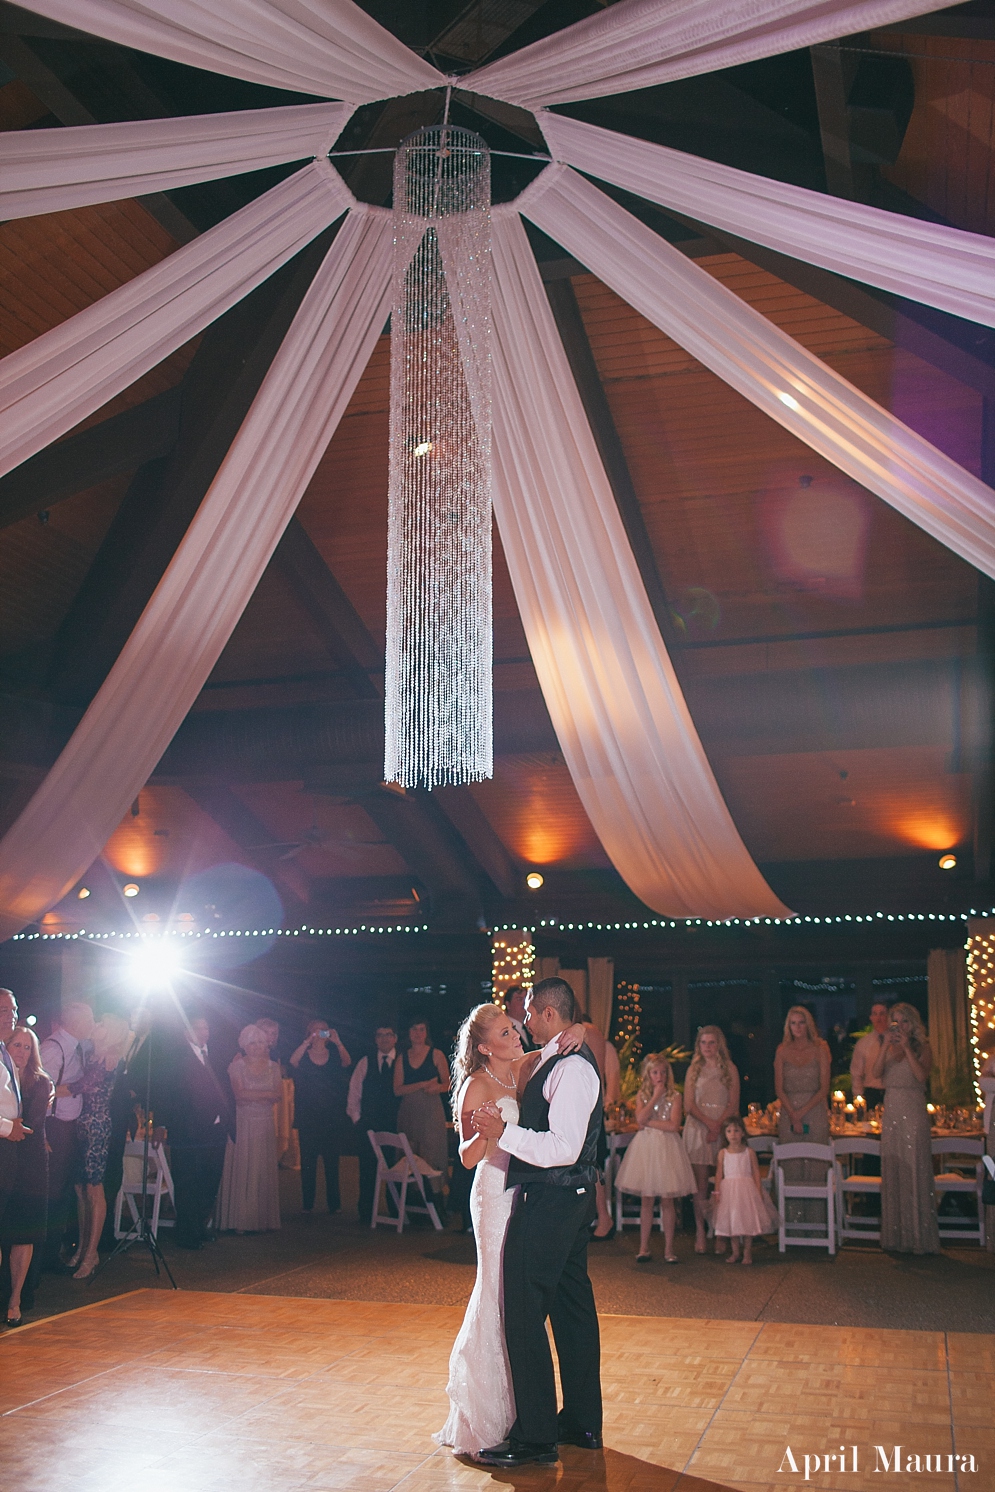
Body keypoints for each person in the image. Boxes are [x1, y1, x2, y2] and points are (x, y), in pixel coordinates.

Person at [435, 1003, 586, 1454]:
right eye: (505, 1031)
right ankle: (490, 1413)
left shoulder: (518, 1069)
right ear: (484, 1046)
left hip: (525, 1192)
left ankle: (522, 1412)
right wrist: (488, 1133)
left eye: (515, 1027)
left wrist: (577, 1026)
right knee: (498, 1293)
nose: (517, 1035)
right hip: (493, 1194)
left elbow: (556, 1042)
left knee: (517, 1300)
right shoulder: (476, 1084)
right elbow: (464, 1156)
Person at [471, 977, 604, 1469]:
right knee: (572, 1310)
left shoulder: (572, 1068)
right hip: (568, 1199)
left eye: (527, 1013)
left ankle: (535, 1436)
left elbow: (563, 1148)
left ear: (548, 1014)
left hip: (553, 1199)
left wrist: (505, 1134)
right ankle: (582, 1421)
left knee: (523, 1310)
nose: (523, 1021)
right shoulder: (556, 1055)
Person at [152, 1014, 230, 1250]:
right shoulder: (176, 1058)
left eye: (206, 1028)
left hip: (216, 1129)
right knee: (188, 1181)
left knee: (210, 1179)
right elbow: (165, 1093)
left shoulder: (215, 1055)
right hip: (188, 1130)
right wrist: (161, 1124)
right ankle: (187, 1231)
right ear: (187, 1033)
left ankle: (201, 1225)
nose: (203, 1033)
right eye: (198, 1029)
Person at [870, 1002, 941, 1255]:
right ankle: (896, 1235)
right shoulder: (887, 1048)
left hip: (913, 1109)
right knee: (895, 1168)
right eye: (895, 1022)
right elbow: (876, 1074)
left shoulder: (924, 1047)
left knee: (915, 1167)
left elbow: (921, 1076)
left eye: (904, 1022)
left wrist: (907, 1047)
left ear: (913, 1024)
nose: (900, 1026)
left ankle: (919, 1237)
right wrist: (886, 1046)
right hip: (892, 1110)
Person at [615, 1053, 695, 1264]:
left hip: (667, 1149)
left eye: (662, 1072)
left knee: (668, 1201)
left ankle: (669, 1249)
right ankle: (643, 1247)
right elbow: (639, 1118)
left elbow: (673, 1125)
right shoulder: (643, 1094)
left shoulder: (675, 1097)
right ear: (648, 1075)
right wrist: (655, 1097)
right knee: (647, 1201)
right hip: (646, 1149)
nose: (659, 1076)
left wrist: (649, 1122)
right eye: (654, 1072)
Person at [70, 1013, 130, 1279]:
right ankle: (82, 1248)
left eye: (103, 1024)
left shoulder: (109, 1059)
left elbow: (81, 1086)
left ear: (113, 1031)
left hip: (97, 1125)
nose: (96, 1026)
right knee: (80, 1188)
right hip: (81, 1123)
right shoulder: (90, 1054)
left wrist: (47, 1087)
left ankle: (91, 1253)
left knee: (95, 1188)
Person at [1, 1026, 54, 1323]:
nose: (20, 1051)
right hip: (3, 1160)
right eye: (15, 1045)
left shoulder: (41, 1082)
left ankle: (16, 1299)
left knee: (24, 1234)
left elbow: (30, 1123)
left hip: (30, 1165)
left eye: (26, 1046)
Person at [39, 1000, 94, 1271]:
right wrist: (79, 1086)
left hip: (70, 1126)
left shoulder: (78, 1047)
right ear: (76, 1022)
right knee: (54, 1193)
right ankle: (45, 1257)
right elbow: (41, 1091)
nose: (93, 1025)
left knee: (63, 1194)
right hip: (55, 1126)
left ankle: (53, 1253)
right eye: (89, 1019)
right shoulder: (53, 1047)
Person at [216, 1024, 282, 1233]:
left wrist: (253, 1094)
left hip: (264, 1124)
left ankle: (260, 1220)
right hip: (243, 1123)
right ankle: (241, 1221)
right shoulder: (236, 1066)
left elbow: (278, 1095)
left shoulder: (274, 1067)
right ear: (244, 1044)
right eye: (252, 1042)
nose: (256, 1047)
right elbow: (239, 1096)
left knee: (261, 1168)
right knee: (244, 1167)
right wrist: (265, 1094)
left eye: (260, 1042)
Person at [682, 1026, 740, 1253]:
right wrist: (708, 1123)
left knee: (724, 1184)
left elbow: (733, 1103)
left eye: (712, 1043)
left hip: (724, 1129)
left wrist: (718, 1126)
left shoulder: (730, 1069)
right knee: (700, 1186)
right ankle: (700, 1230)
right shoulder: (693, 1069)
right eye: (704, 1043)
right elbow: (689, 1105)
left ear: (719, 1045)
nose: (707, 1047)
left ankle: (721, 1232)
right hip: (698, 1129)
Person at [774, 1006, 831, 1231]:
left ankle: (817, 1225)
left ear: (809, 1024)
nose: (797, 1027)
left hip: (815, 1109)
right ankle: (792, 1225)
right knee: (791, 1166)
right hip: (788, 1109)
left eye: (801, 1022)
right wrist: (792, 1113)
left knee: (816, 1165)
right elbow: (779, 1088)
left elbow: (824, 1087)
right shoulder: (782, 1050)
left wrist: (803, 1111)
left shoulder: (821, 1048)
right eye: (793, 1023)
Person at [289, 1020, 352, 1216]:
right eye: (316, 1029)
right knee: (308, 1161)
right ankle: (308, 1204)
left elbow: (347, 1062)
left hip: (331, 1116)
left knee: (332, 1162)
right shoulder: (305, 1055)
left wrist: (338, 1041)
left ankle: (335, 1203)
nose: (321, 1033)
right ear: (309, 1032)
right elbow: (293, 1062)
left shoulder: (333, 1054)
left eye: (324, 1029)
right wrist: (307, 1042)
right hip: (308, 1116)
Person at [394, 1018, 450, 1213]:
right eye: (414, 1029)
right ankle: (413, 1206)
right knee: (410, 1154)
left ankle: (436, 1205)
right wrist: (421, 1084)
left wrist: (437, 1088)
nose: (418, 1033)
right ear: (409, 1033)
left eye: (421, 1029)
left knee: (432, 1154)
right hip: (409, 1112)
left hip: (431, 1111)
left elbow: (449, 1083)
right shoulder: (403, 1057)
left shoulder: (436, 1055)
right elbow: (397, 1089)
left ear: (426, 1033)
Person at [0, 993, 34, 1312]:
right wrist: (5, 1127)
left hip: (10, 1149)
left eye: (15, 1009)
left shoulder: (5, 1052)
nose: (13, 1014)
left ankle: (12, 1300)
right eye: (7, 1009)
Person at [347, 1023, 400, 1224]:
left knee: (396, 1170)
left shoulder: (402, 1061)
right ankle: (366, 1213)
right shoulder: (366, 1062)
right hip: (369, 1125)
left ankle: (397, 1212)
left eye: (388, 1035)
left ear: (394, 1038)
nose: (384, 1039)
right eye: (380, 1035)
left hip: (396, 1126)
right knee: (367, 1170)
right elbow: (354, 1091)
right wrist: (357, 1119)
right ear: (375, 1039)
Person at [711, 1115, 777, 1265]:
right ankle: (735, 1252)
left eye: (736, 1130)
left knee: (748, 1222)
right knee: (733, 1221)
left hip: (747, 1191)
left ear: (742, 1133)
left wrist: (759, 1191)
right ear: (725, 1134)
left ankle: (747, 1252)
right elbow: (719, 1174)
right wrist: (717, 1192)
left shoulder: (749, 1152)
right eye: (729, 1131)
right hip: (729, 1192)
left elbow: (755, 1173)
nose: (733, 1134)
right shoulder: (723, 1153)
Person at [850, 1001, 890, 1110]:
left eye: (882, 1014)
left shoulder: (897, 1041)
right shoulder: (863, 1043)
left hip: (892, 1092)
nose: (879, 1018)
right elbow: (856, 1073)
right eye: (875, 1014)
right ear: (871, 1017)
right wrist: (858, 1097)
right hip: (872, 1093)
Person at [505, 987, 538, 1053]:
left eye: (526, 999)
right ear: (508, 1004)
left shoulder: (531, 1026)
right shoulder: (504, 1030)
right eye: (519, 999)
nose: (524, 1003)